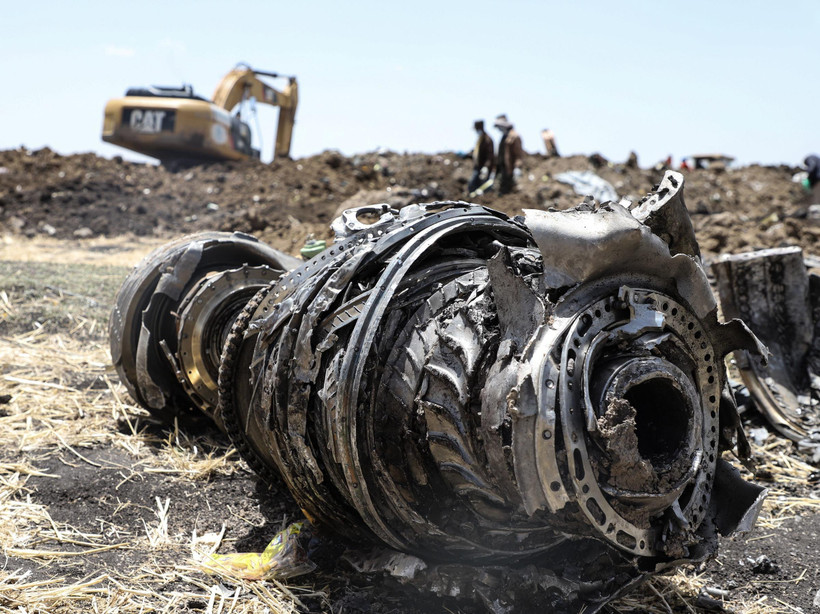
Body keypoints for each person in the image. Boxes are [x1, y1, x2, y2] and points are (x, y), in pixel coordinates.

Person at [494, 114, 524, 194]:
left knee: (510, 190)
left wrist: (517, 167)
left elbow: (518, 154)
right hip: (503, 168)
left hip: (510, 169)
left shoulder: (514, 136)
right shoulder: (504, 137)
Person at [467, 120, 495, 195]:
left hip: (483, 168)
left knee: (482, 185)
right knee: (472, 185)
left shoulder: (487, 140)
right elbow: (477, 151)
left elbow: (490, 156)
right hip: (477, 167)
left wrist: (486, 167)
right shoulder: (480, 139)